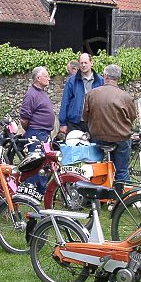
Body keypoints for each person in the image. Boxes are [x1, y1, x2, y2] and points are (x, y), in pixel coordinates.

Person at [83, 64, 137, 183]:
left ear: (105, 76)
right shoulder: (126, 97)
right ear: (118, 78)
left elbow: (85, 117)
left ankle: (97, 195)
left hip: (98, 137)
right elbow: (132, 117)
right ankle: (123, 198)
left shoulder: (92, 94)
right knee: (122, 170)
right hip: (121, 137)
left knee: (96, 167)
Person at [19, 66, 55, 194]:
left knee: (45, 164)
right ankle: (29, 191)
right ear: (38, 78)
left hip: (44, 133)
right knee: (35, 164)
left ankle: (41, 190)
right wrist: (32, 132)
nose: (49, 78)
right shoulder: (31, 94)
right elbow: (24, 118)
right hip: (36, 133)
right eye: (46, 76)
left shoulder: (41, 92)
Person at [59, 53, 104, 134]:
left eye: (86, 63)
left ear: (91, 63)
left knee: (94, 147)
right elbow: (65, 102)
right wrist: (63, 123)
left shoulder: (100, 81)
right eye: (81, 63)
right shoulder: (71, 81)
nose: (83, 65)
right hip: (74, 123)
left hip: (94, 123)